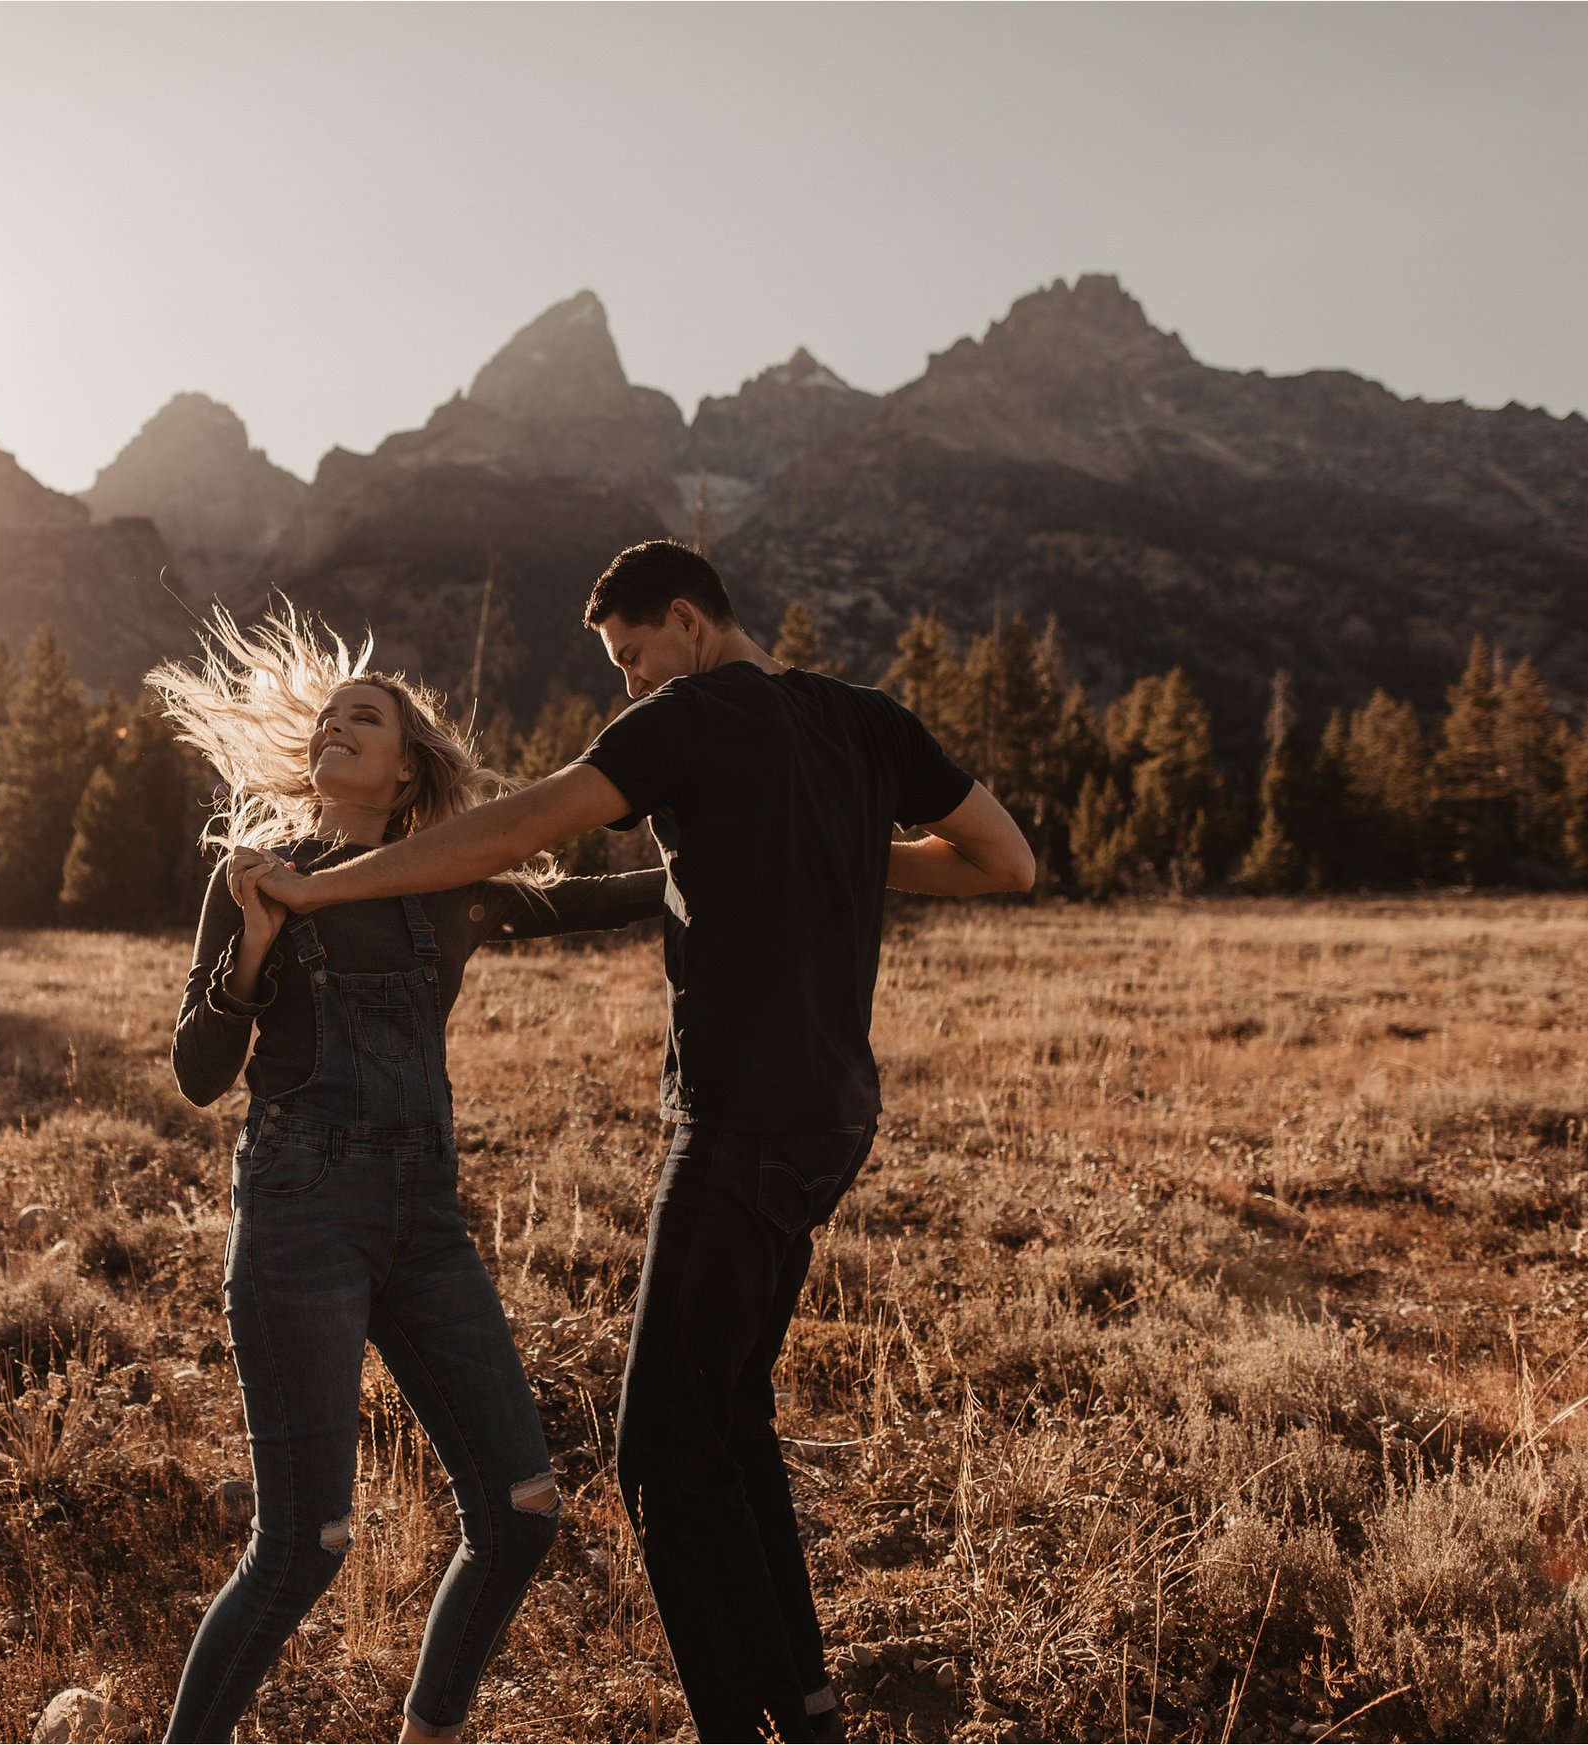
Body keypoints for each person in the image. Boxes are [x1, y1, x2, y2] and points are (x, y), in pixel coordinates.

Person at [255, 540, 1035, 1743]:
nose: (628, 684)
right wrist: (828, 835)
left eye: (629, 658)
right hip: (835, 1123)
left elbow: (515, 829)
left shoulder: (691, 714)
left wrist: (323, 889)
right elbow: (1006, 859)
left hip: (735, 1122)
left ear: (684, 620)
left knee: (660, 1458)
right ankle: (809, 1709)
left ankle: (737, 1725)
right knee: (732, 1420)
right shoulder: (867, 723)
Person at [157, 609, 666, 1745]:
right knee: (304, 1546)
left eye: (367, 715)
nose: (339, 725)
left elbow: (616, 896)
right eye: (330, 716)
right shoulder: (252, 874)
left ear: (407, 764)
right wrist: (250, 936)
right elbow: (200, 1071)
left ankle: (428, 1732)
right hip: (300, 1215)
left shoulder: (460, 886)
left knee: (524, 1511)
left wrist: (757, 861)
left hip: (425, 1222)